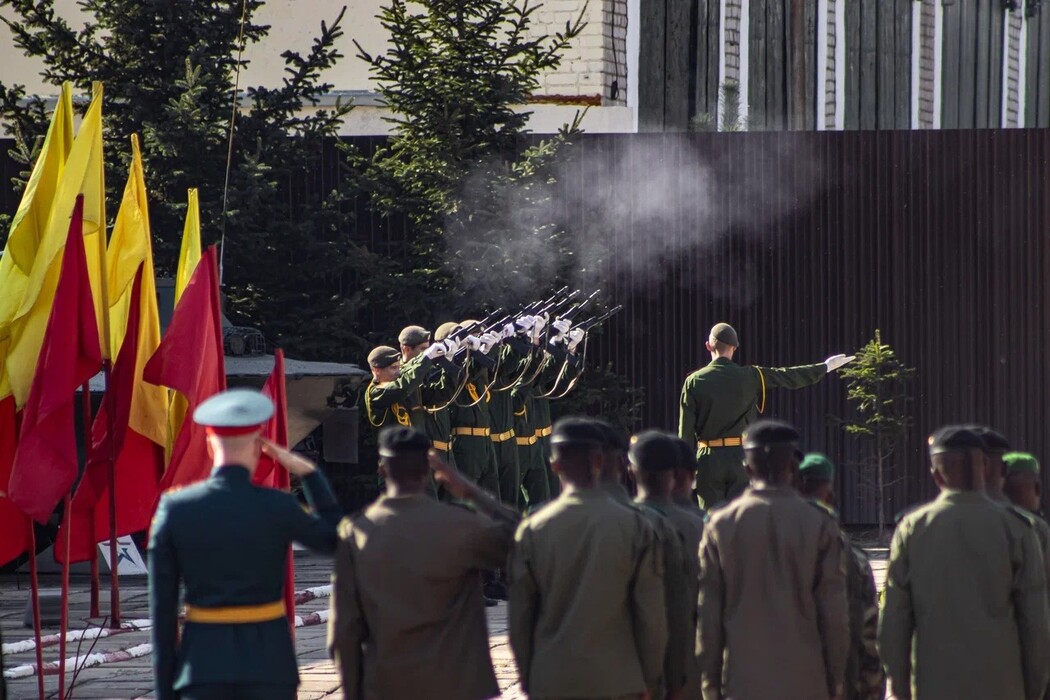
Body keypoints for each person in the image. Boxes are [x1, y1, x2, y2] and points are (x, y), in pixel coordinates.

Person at [149, 389, 342, 700]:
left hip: (202, 666)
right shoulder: (277, 506)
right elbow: (335, 541)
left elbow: (162, 612)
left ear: (210, 445)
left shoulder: (177, 508)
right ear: (259, 447)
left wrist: (165, 692)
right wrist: (309, 474)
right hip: (269, 665)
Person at [327, 426, 519, 700]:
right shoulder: (459, 525)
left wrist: (353, 692)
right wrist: (471, 492)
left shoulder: (355, 532)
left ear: (382, 469)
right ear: (428, 469)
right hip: (454, 684)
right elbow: (525, 541)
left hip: (385, 684)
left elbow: (344, 629)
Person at [879, 426, 1050, 700]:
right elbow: (1035, 624)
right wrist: (1032, 689)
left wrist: (901, 687)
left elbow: (894, 621)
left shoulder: (913, 529)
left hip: (934, 685)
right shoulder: (1018, 529)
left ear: (935, 474)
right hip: (1003, 686)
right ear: (985, 465)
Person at [508, 417, 667, 699]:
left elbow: (520, 619)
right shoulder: (635, 525)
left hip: (553, 679)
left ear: (554, 465)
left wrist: (530, 678)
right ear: (598, 460)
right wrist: (649, 678)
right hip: (618, 680)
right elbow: (650, 616)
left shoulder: (532, 530)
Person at [697, 419, 848, 700]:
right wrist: (835, 683)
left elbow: (709, 617)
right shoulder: (819, 523)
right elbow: (834, 614)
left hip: (742, 682)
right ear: (792, 467)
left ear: (747, 468)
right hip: (806, 680)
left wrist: (710, 687)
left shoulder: (720, 524)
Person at [677, 322, 854, 509]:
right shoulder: (751, 375)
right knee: (742, 516)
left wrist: (686, 468)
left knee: (711, 519)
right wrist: (824, 367)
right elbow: (788, 376)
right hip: (741, 456)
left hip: (709, 458)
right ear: (735, 348)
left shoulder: (694, 381)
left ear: (708, 346)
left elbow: (685, 430)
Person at [798, 453, 885, 700]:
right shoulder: (852, 557)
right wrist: (872, 692)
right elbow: (869, 638)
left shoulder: (776, 550)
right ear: (832, 497)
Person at [629, 430, 695, 699]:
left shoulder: (616, 523)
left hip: (624, 669)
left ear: (631, 471)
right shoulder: (703, 526)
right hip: (689, 666)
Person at [364, 340, 450, 431]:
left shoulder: (406, 388)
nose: (398, 372)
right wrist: (426, 358)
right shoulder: (375, 392)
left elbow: (442, 393)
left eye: (398, 367)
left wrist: (450, 363)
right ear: (377, 370)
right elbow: (402, 387)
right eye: (393, 368)